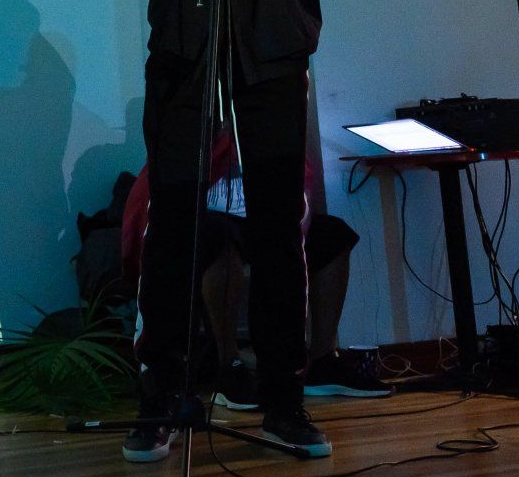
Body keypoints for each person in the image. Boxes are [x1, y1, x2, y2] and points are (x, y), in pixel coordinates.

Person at [125, 0, 366, 463]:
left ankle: (284, 402)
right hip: (188, 41)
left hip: (271, 48)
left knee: (277, 227)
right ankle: (163, 396)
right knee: (174, 221)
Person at [116, 136, 390, 413]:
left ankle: (322, 360)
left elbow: (294, 189)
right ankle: (228, 365)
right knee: (220, 239)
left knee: (332, 235)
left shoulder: (267, 135)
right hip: (206, 223)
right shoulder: (192, 138)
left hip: (259, 221)